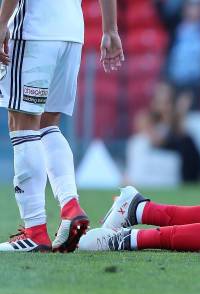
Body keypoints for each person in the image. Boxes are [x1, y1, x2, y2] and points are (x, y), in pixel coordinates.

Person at [0, 0, 124, 253]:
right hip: (71, 33)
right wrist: (110, 29)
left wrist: (2, 22)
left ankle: (34, 231)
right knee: (48, 125)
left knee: (23, 125)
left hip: (33, 29)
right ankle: (70, 205)